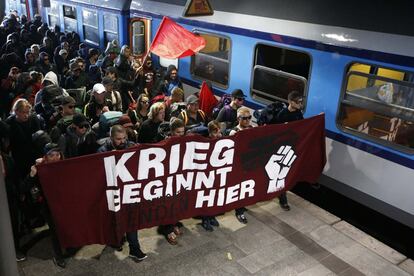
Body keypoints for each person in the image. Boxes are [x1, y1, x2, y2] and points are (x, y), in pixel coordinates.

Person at [97, 125, 147, 262]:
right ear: (111, 138)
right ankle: (115, 239)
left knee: (131, 219)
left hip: (128, 190)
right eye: (118, 139)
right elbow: (98, 173)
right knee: (114, 218)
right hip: (112, 190)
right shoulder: (102, 150)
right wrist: (110, 158)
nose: (122, 141)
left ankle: (134, 249)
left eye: (124, 138)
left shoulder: (130, 145)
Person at [22, 143, 67, 268]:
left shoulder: (65, 165)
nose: (55, 157)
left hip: (64, 203)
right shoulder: (39, 168)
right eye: (51, 155)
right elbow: (24, 187)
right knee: (55, 231)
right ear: (45, 156)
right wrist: (32, 174)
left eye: (57, 154)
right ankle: (59, 256)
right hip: (48, 206)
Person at [275, 90, 304, 211]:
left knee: (286, 173)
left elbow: (304, 126)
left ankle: (281, 193)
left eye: (301, 102)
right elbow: (275, 131)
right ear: (291, 102)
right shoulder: (282, 114)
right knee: (282, 173)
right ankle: (283, 199)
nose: (301, 104)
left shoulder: (298, 114)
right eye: (298, 102)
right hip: (282, 148)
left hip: (293, 148)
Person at [229, 107, 254, 223]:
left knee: (246, 188)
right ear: (239, 119)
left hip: (249, 163)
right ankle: (239, 212)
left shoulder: (252, 128)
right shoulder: (234, 132)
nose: (248, 120)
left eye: (249, 118)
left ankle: (242, 205)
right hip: (238, 165)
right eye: (245, 118)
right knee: (239, 188)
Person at [200, 120, 222, 231]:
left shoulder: (222, 141)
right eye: (215, 132)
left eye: (219, 132)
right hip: (206, 176)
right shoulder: (205, 142)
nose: (218, 135)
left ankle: (212, 216)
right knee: (206, 198)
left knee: (215, 197)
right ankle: (205, 219)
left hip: (217, 174)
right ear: (210, 132)